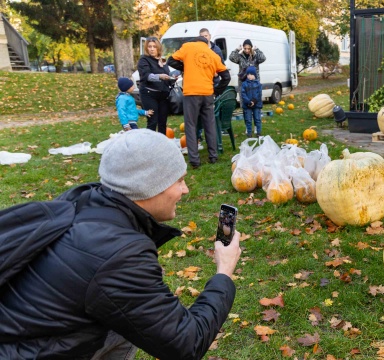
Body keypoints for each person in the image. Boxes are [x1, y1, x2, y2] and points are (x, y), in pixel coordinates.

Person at [0, 129, 242, 359]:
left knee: (126, 324)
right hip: (23, 351)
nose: (185, 190)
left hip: (21, 335)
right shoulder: (120, 255)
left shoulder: (85, 200)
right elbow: (186, 344)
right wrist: (224, 271)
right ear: (149, 186)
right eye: (178, 181)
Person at [167, 37, 230, 169]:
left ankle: (194, 160)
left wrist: (185, 67)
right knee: (209, 124)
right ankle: (213, 156)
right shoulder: (213, 54)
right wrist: (216, 91)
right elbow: (226, 77)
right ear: (206, 44)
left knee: (190, 125)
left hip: (191, 93)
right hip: (207, 93)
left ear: (195, 41)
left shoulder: (187, 47)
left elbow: (171, 60)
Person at [137, 37, 174, 135]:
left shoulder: (162, 60)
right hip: (149, 94)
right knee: (153, 121)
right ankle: (150, 146)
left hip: (163, 95)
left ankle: (161, 145)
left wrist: (172, 77)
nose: (152, 49)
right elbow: (146, 76)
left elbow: (167, 74)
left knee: (162, 122)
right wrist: (160, 76)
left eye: (154, 46)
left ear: (158, 48)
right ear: (146, 48)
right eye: (149, 47)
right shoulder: (144, 60)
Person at [229, 39, 266, 103]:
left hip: (254, 83)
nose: (247, 50)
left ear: (251, 48)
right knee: (244, 103)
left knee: (255, 102)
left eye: (249, 48)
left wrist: (257, 50)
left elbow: (263, 58)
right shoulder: (240, 57)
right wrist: (237, 49)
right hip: (243, 83)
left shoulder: (255, 56)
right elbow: (231, 57)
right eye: (245, 48)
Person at [241, 66, 263, 137]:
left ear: (254, 75)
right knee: (248, 120)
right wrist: (248, 102)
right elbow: (243, 94)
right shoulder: (244, 84)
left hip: (256, 104)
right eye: (248, 75)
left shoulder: (258, 84)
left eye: (251, 74)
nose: (249, 76)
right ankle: (249, 133)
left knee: (257, 118)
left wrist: (254, 101)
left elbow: (259, 94)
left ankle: (258, 132)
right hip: (247, 105)